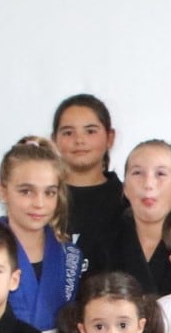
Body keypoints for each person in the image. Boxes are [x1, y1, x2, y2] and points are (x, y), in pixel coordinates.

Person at [0, 136, 84, 333]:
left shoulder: (70, 255)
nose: (39, 203)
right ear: (2, 191)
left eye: (49, 193)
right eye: (27, 191)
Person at [82, 138, 171, 294]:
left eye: (160, 174)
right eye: (137, 173)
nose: (148, 184)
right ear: (125, 188)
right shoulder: (101, 240)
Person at [54, 93, 128, 255]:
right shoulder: (45, 200)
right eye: (68, 132)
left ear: (110, 138)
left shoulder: (128, 201)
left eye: (90, 131)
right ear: (54, 140)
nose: (79, 140)